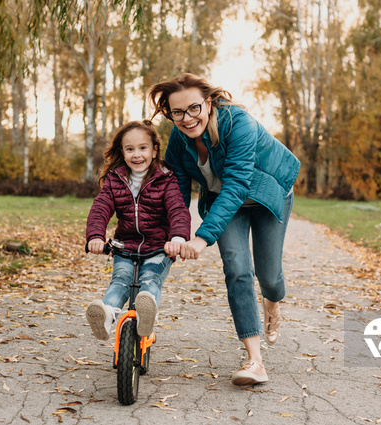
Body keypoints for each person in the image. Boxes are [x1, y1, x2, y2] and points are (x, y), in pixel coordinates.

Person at [148, 73, 300, 386]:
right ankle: (255, 361)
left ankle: (272, 302)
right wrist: (175, 234)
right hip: (226, 203)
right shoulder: (178, 141)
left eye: (194, 108)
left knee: (269, 276)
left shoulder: (238, 123)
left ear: (209, 102)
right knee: (237, 268)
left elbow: (236, 184)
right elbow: (177, 193)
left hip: (268, 194)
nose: (187, 119)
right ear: (170, 114)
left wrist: (202, 238)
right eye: (178, 113)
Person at [85, 119, 191, 340]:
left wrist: (178, 238)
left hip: (158, 247)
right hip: (125, 245)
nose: (137, 155)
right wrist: (95, 236)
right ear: (122, 153)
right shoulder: (116, 180)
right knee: (120, 280)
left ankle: (146, 316)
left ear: (154, 151)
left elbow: (178, 209)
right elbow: (100, 208)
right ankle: (107, 314)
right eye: (130, 149)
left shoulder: (166, 179)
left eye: (142, 148)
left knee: (150, 278)